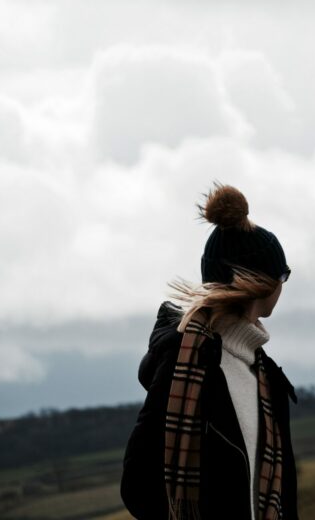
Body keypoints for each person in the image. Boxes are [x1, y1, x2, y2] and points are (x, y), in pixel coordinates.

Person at [120, 183, 299, 520]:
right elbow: (138, 486)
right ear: (264, 283)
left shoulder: (267, 379)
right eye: (283, 275)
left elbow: (284, 498)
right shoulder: (185, 362)